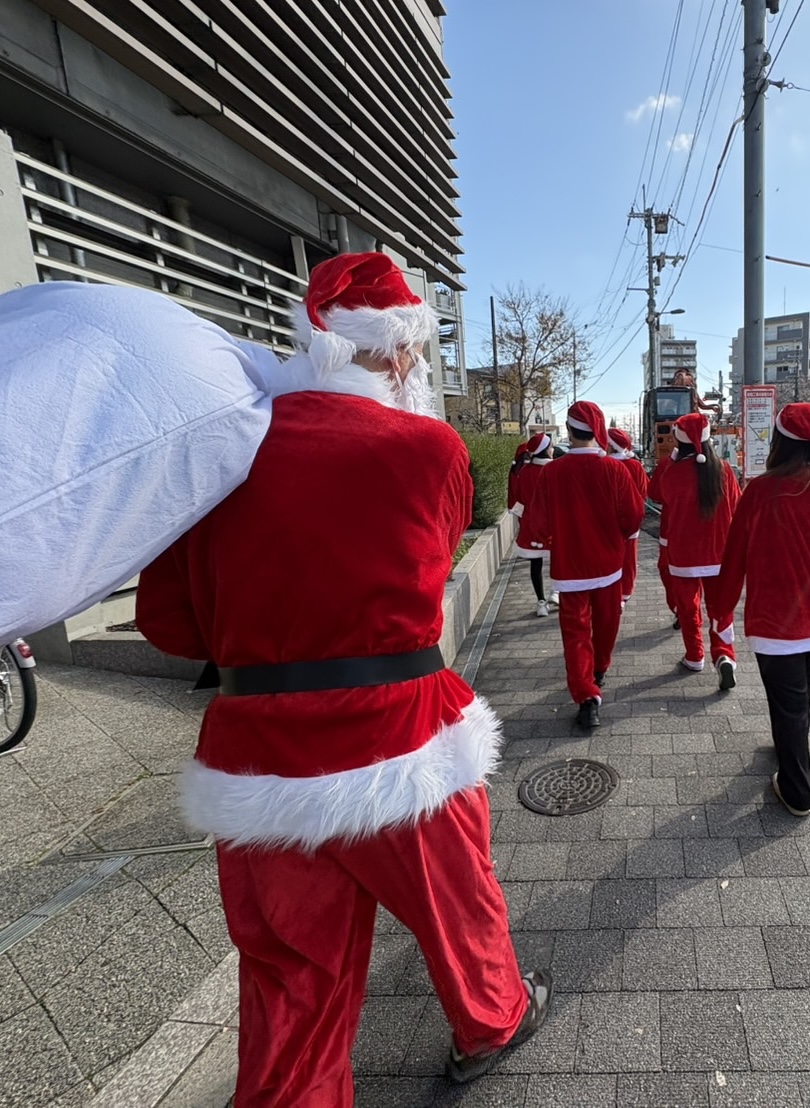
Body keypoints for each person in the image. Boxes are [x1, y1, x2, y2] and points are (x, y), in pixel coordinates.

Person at [136, 252, 551, 1104]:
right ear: (398, 353)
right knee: (459, 908)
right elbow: (430, 570)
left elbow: (167, 623)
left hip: (259, 752)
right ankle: (492, 1021)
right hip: (401, 730)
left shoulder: (223, 454)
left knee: (289, 984)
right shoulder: (430, 449)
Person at [714, 402, 810, 817]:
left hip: (777, 626)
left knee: (791, 703)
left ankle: (799, 789)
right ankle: (787, 742)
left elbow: (734, 561)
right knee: (797, 696)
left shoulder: (759, 493)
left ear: (780, 442)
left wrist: (720, 612)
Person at [529, 400, 642, 729]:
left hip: (569, 569)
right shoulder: (615, 469)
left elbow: (537, 522)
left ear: (568, 431)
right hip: (608, 564)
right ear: (598, 431)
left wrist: (550, 538)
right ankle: (600, 668)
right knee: (607, 624)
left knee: (575, 634)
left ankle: (586, 695)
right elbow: (633, 517)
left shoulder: (552, 472)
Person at [654, 413, 741, 690]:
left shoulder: (673, 471)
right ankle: (725, 655)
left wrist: (676, 461)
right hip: (721, 553)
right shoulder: (725, 470)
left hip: (684, 555)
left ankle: (695, 656)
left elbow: (661, 497)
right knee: (720, 608)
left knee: (689, 607)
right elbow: (737, 506)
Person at [509, 432, 557, 616]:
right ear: (546, 449)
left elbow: (519, 498)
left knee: (535, 563)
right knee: (557, 559)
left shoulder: (524, 472)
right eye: (551, 446)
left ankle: (540, 603)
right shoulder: (555, 469)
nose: (553, 449)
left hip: (531, 523)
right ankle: (556, 592)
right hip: (553, 522)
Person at [607, 428, 648, 608]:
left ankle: (611, 592)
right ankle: (625, 592)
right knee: (629, 558)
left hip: (607, 520)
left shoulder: (604, 465)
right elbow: (645, 491)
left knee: (609, 557)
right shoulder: (635, 465)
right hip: (632, 518)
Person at [647, 453, 680, 631]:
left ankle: (680, 608)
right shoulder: (720, 466)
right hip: (708, 534)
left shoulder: (668, 463)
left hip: (671, 528)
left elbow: (654, 494)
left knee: (668, 570)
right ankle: (722, 650)